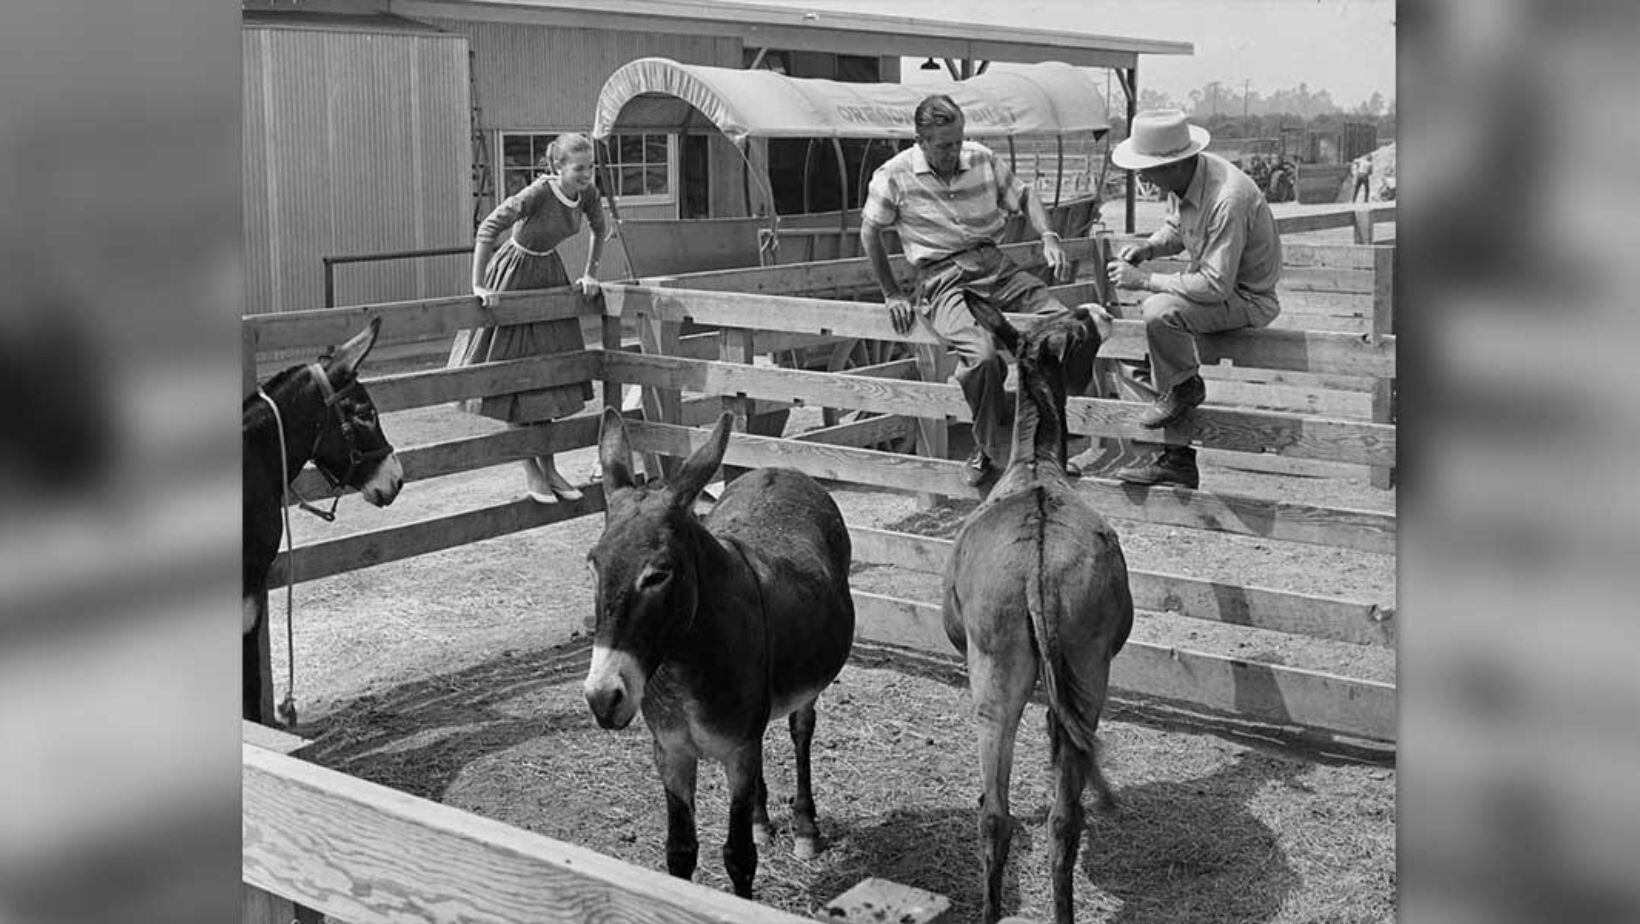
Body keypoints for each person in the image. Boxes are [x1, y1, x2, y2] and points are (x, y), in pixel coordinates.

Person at [860, 94, 1108, 487]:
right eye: (943, 145)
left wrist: (1048, 235)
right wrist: (891, 292)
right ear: (920, 140)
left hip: (995, 266)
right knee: (983, 358)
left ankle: (1048, 446)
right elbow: (870, 230)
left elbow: (1024, 195)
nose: (953, 150)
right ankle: (989, 450)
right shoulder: (894, 174)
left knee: (1064, 330)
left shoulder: (982, 159)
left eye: (958, 140)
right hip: (941, 278)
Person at [1100, 109, 1282, 489]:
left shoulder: (1227, 197)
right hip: (1217, 291)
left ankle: (1183, 394)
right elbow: (1178, 226)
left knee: (1159, 311)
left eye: (1147, 169)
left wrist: (1146, 279)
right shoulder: (1188, 181)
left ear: (1174, 164)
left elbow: (1215, 286)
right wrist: (1149, 247)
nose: (1142, 177)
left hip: (1247, 298)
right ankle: (1176, 450)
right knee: (1143, 337)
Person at [449, 132, 606, 503]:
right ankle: (531, 470)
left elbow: (601, 229)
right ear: (558, 167)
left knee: (546, 377)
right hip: (514, 275)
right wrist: (479, 285)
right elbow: (488, 228)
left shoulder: (588, 194)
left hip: (549, 274)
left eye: (590, 167)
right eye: (579, 168)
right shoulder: (537, 193)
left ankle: (550, 468)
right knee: (515, 379)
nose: (587, 174)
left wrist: (590, 273)